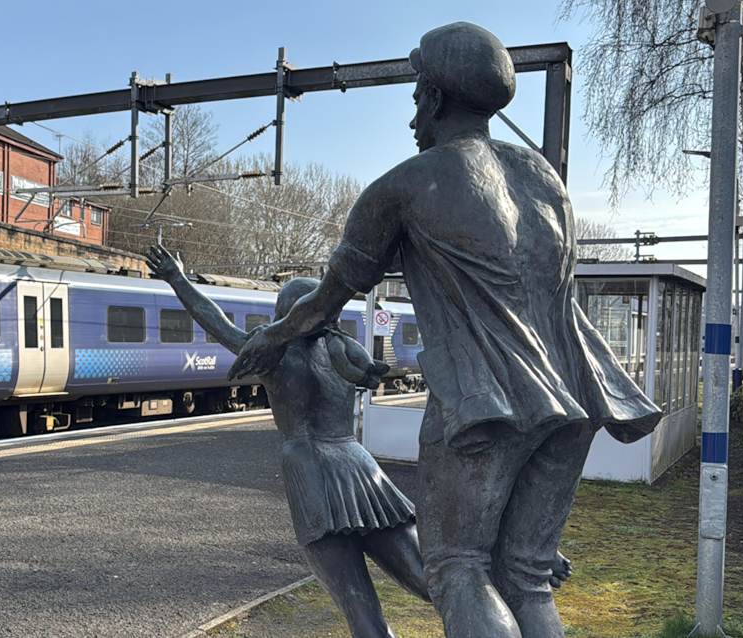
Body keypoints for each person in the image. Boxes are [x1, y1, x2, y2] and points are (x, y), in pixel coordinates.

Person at [226, 22, 661, 638]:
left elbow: (326, 300)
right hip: (576, 399)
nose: (411, 120)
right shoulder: (545, 181)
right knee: (527, 574)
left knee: (458, 567)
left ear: (431, 97)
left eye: (414, 99)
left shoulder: (407, 184)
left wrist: (271, 336)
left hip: (485, 406)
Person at [145, 244, 428, 638]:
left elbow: (218, 324)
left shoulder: (272, 356)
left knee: (361, 608)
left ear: (285, 315)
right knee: (432, 581)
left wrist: (178, 279)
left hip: (311, 471)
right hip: (361, 467)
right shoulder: (347, 352)